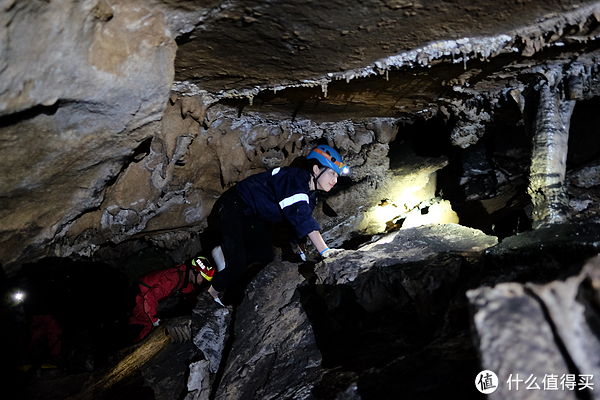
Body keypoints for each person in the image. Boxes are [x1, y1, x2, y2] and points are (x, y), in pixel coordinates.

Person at [207, 144, 348, 305]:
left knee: (266, 255)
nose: (335, 180)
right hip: (234, 205)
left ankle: (227, 252)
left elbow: (298, 224)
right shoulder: (295, 178)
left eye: (337, 176)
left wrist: (302, 254)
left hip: (252, 215)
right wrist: (326, 251)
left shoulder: (310, 195)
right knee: (236, 267)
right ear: (316, 169)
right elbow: (302, 218)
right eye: (332, 173)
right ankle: (212, 294)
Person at [128, 255, 214, 343]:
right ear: (195, 272)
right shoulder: (174, 278)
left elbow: (190, 293)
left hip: (141, 293)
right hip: (140, 295)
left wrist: (203, 308)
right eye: (203, 278)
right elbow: (150, 297)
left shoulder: (185, 276)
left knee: (137, 322)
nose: (203, 282)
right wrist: (155, 320)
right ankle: (133, 348)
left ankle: (129, 334)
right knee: (147, 325)